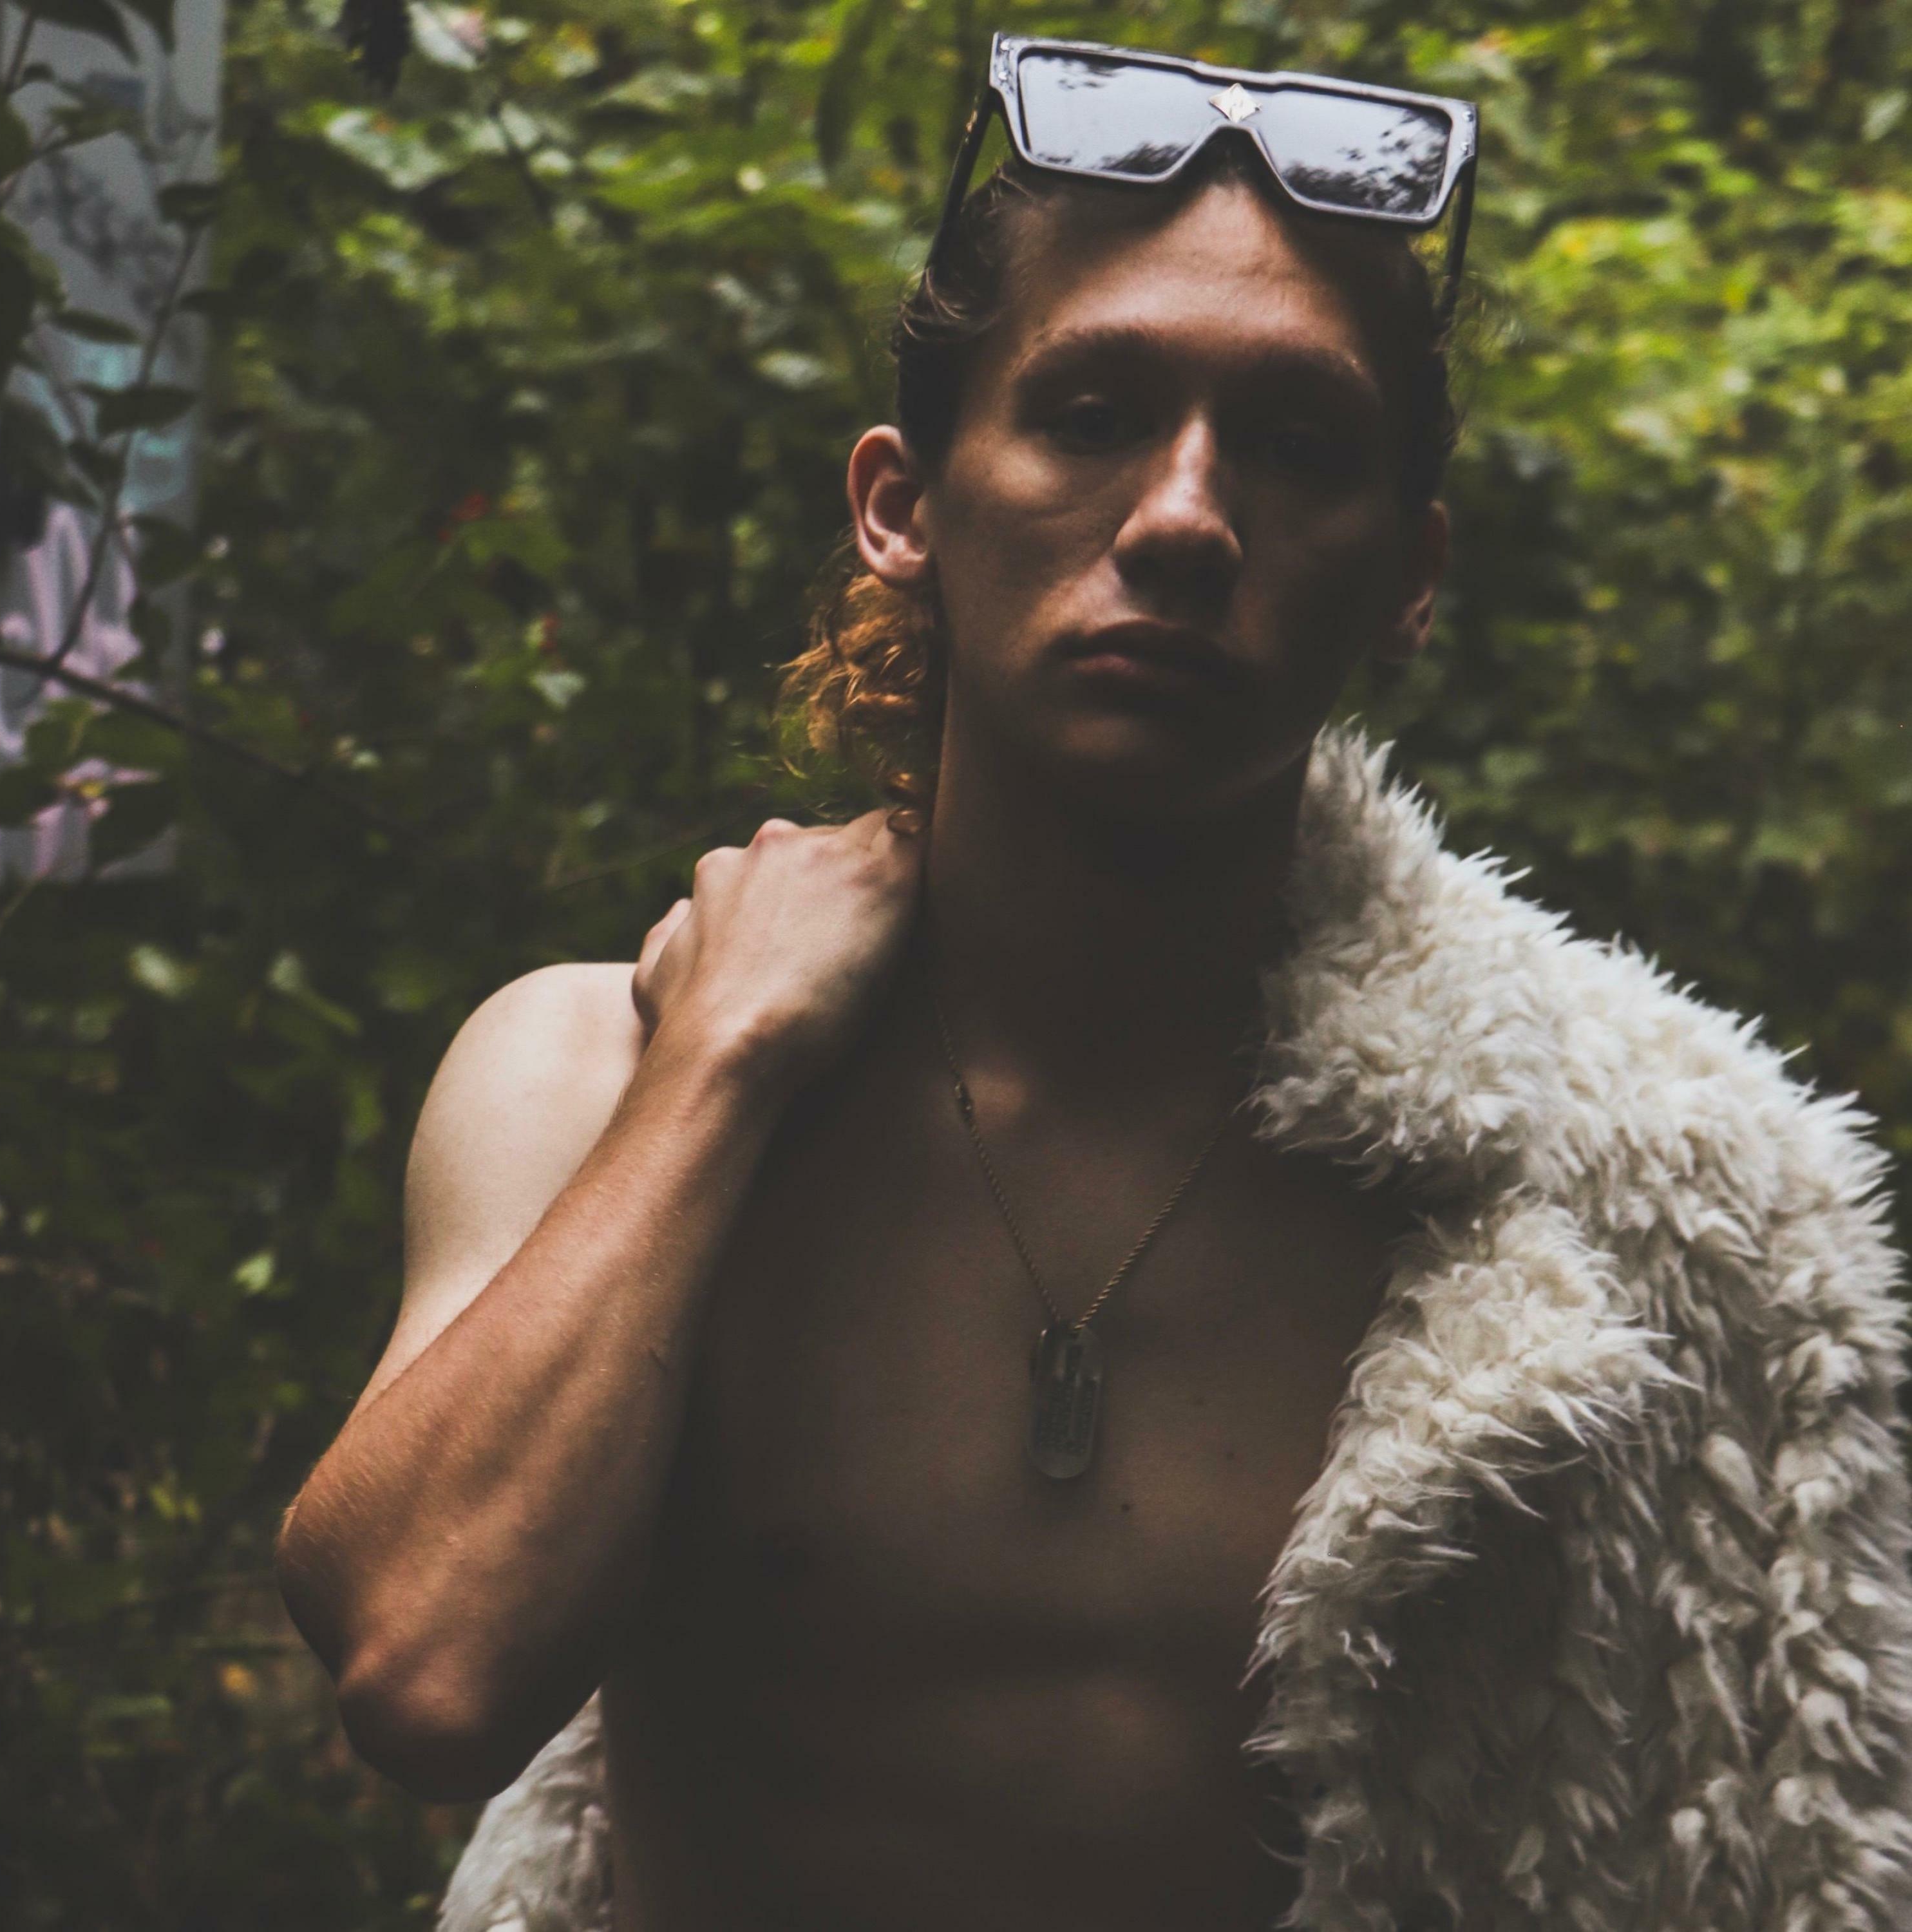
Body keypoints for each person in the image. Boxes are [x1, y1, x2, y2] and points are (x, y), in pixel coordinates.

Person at [275, 35, 1912, 1932]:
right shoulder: (597, 1067)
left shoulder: (1646, 1211)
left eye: (1298, 446)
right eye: (1092, 412)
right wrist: (721, 1066)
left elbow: (1806, 1842)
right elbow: (429, 1672)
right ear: (903, 506)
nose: (1186, 517)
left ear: (1409, 574)